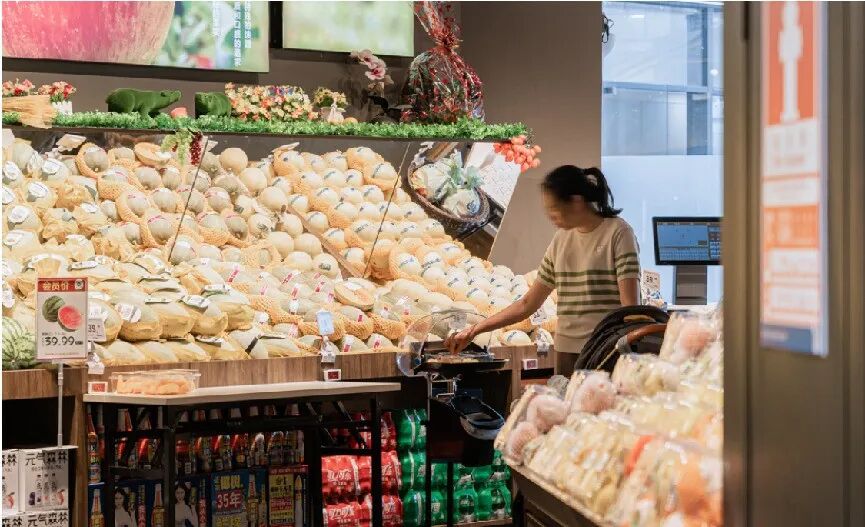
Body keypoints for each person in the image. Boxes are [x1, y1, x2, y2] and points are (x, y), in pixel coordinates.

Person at [445, 165, 640, 374]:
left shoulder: (618, 233)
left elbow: (630, 308)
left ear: (576, 202)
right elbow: (527, 304)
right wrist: (474, 330)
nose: (551, 217)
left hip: (605, 351)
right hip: (566, 351)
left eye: (554, 209)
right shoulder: (561, 240)